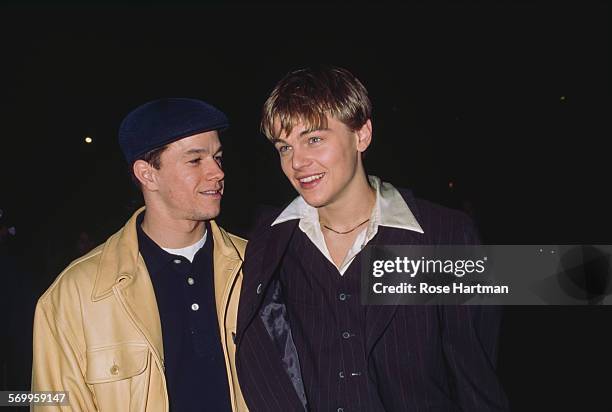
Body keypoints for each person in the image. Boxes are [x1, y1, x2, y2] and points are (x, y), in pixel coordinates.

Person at [235, 67, 509, 411]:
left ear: (361, 134)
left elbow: (475, 380)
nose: (298, 162)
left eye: (314, 139)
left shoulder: (445, 235)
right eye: (284, 147)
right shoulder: (269, 244)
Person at [32, 98, 247, 411]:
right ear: (148, 175)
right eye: (195, 160)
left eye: (217, 157)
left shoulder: (258, 267)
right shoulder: (74, 296)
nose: (217, 172)